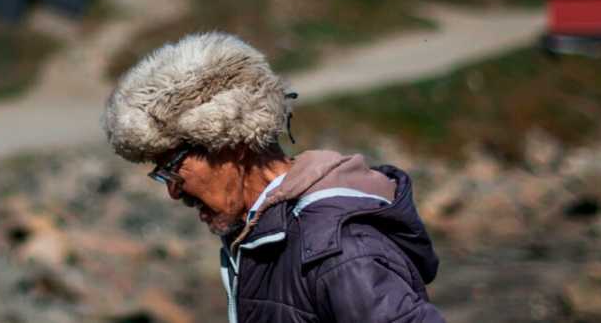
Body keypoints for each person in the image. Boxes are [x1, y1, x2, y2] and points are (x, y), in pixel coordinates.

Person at [101, 32, 445, 323]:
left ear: (229, 143)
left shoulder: (342, 254)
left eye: (173, 167)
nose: (174, 191)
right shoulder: (260, 234)